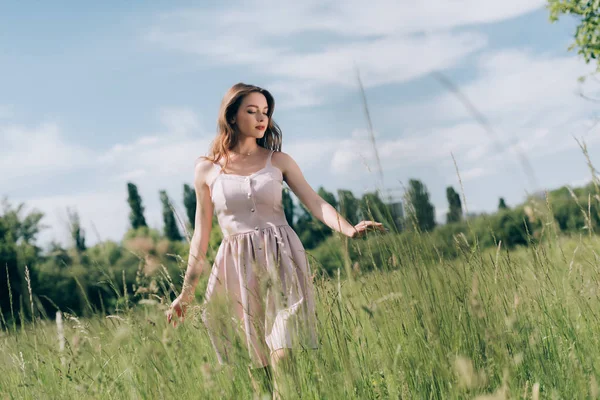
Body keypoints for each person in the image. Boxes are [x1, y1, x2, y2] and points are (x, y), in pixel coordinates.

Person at [166, 82, 386, 398]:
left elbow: (315, 201)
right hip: (236, 269)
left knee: (282, 355)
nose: (261, 118)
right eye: (252, 111)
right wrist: (186, 294)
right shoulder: (207, 169)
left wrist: (349, 228)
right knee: (257, 369)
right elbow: (200, 237)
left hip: (282, 259)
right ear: (231, 115)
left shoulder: (279, 161)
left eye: (266, 112)